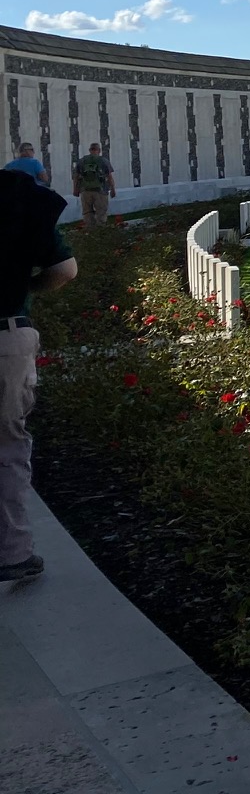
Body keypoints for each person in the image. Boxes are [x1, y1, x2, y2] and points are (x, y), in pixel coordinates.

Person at [1, 167, 75, 583]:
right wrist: (26, 288)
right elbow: (65, 270)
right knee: (6, 448)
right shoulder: (18, 199)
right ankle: (13, 553)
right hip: (6, 334)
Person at [71, 143, 116, 228]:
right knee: (101, 212)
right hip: (100, 191)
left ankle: (90, 231)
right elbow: (109, 177)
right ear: (99, 150)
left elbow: (76, 177)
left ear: (90, 150)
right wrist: (113, 190)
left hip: (85, 191)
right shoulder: (103, 161)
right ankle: (100, 232)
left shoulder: (82, 161)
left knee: (87, 212)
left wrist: (75, 190)